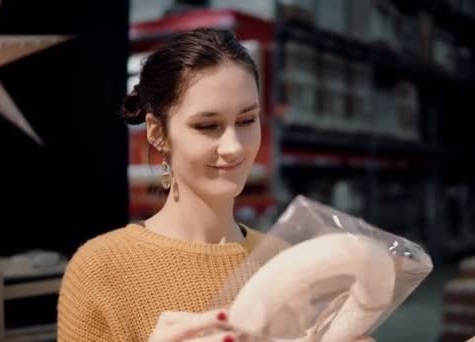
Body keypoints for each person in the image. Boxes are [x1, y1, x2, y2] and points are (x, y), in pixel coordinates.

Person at [57, 28, 374, 342]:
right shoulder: (101, 267)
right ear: (156, 131)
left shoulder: (283, 261)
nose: (234, 146)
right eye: (208, 126)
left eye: (247, 120)